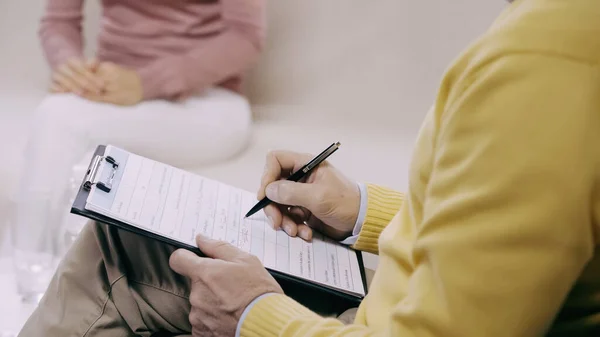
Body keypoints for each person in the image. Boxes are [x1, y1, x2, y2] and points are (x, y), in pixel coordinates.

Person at [18, 0, 600, 336]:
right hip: (391, 294)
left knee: (119, 251)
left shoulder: (545, 59)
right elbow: (505, 220)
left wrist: (256, 317)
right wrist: (364, 212)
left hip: (378, 317)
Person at [15, 0, 265, 231]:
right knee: (56, 119)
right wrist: (72, 69)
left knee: (58, 121)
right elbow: (59, 21)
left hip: (207, 101)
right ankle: (38, 268)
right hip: (110, 92)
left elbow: (245, 38)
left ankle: (31, 265)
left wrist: (144, 83)